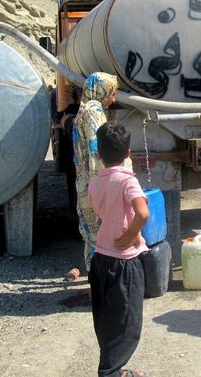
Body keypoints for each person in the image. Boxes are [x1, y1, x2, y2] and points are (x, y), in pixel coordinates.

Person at [88, 121, 149, 377]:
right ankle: (111, 372)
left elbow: (104, 213)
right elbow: (143, 213)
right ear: (128, 153)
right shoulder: (127, 181)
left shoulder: (94, 182)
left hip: (100, 257)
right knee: (126, 323)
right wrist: (133, 233)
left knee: (106, 319)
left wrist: (127, 230)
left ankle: (115, 369)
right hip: (124, 263)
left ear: (99, 154)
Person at [72, 72, 119, 273]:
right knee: (101, 237)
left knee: (91, 236)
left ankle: (95, 283)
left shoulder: (84, 109)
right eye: (111, 93)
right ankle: (100, 285)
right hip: (93, 186)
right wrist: (102, 187)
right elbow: (95, 152)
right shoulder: (94, 113)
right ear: (101, 92)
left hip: (84, 184)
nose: (113, 99)